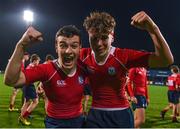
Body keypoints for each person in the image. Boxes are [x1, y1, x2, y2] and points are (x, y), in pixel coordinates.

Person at [80, 11, 173, 127]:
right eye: (94, 38)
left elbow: (165, 60)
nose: (99, 43)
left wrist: (153, 29)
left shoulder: (123, 56)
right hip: (96, 114)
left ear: (112, 37)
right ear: (88, 36)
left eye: (104, 38)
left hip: (121, 115)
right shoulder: (82, 55)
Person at [4, 25, 88, 128]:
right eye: (63, 45)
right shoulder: (47, 69)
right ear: (56, 47)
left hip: (79, 120)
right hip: (56, 123)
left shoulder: (84, 67)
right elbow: (11, 80)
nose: (68, 51)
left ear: (80, 47)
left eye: (74, 46)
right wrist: (21, 45)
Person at [19, 54, 41, 125]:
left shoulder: (29, 66)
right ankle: (23, 117)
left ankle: (21, 117)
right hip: (29, 85)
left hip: (26, 85)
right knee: (35, 102)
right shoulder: (32, 67)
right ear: (35, 61)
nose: (38, 63)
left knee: (27, 102)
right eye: (38, 61)